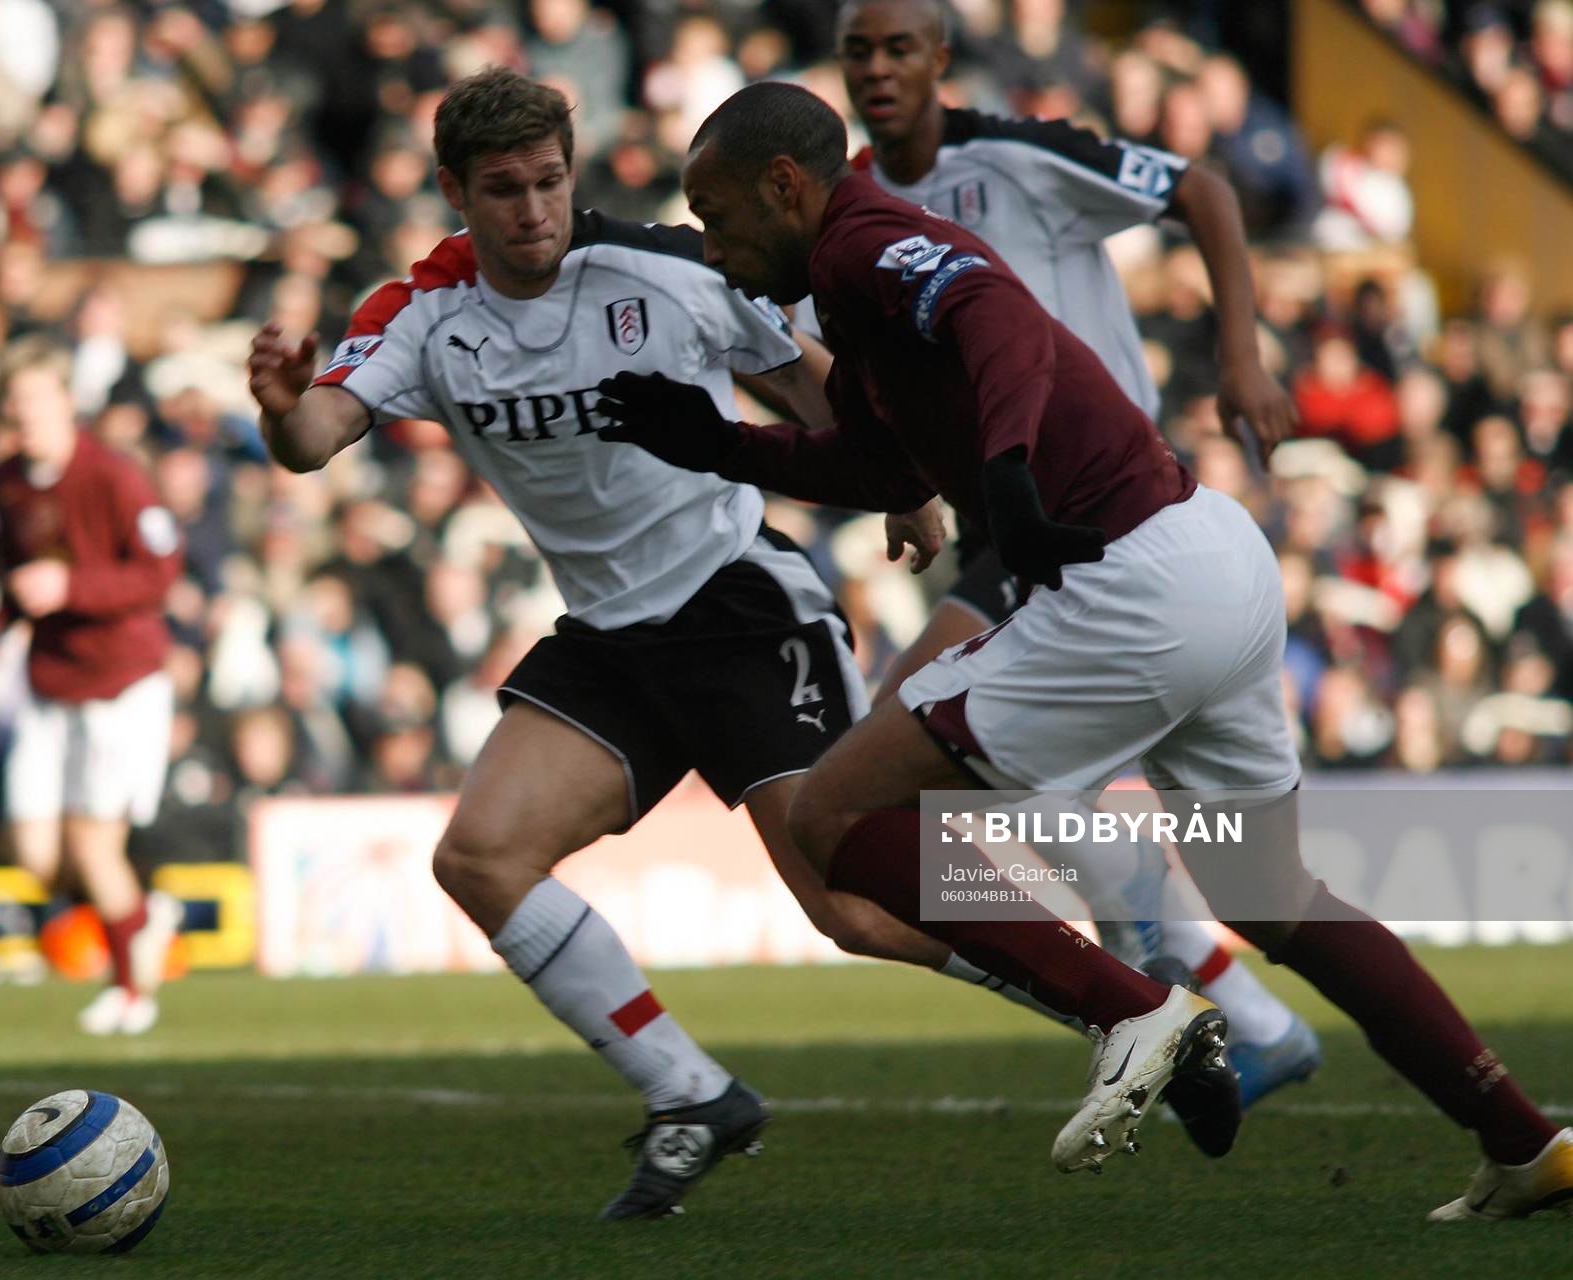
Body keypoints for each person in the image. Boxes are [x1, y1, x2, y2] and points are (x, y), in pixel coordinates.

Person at [246, 67, 1220, 1220]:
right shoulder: (422, 313)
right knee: (480, 857)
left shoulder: (662, 268)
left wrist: (902, 484)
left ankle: (1128, 1003)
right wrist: (281, 404)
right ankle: (692, 1094)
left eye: (550, 180)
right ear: (455, 191)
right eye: (503, 189)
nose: (534, 209)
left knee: (853, 905)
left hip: (739, 609)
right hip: (609, 638)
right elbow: (316, 434)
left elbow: (806, 376)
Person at [593, 81, 1573, 1217]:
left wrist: (1009, 467)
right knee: (1270, 894)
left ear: (783, 186)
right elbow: (880, 467)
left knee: (832, 816)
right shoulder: (851, 283)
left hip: (1130, 590)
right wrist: (716, 443)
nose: (713, 246)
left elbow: (995, 314)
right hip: (1213, 557)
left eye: (716, 218)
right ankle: (1525, 1142)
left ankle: (1135, 1008)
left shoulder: (862, 243)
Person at [831, 0, 1318, 1107]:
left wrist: (1242, 356)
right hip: (1003, 521)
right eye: (858, 50)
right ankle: (1231, 1009)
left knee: (903, 752)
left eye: (899, 47)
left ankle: (1168, 985)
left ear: (941, 58)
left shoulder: (1018, 158)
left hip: (1098, 506)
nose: (877, 69)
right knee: (960, 773)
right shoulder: (855, 203)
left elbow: (1201, 187)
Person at [0, 338, 183, 1036]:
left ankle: (130, 992)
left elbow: (159, 572)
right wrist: (3, 620)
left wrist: (72, 586)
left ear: (66, 401)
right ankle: (140, 914)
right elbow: (16, 564)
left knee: (95, 845)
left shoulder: (114, 476)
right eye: (16, 402)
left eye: (37, 399)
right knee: (35, 853)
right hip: (50, 679)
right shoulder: (6, 479)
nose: (25, 414)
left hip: (118, 683)